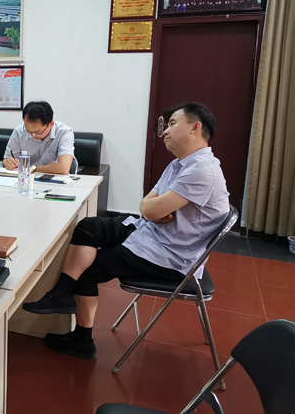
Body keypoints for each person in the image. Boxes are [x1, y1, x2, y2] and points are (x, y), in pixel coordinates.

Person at [22, 102, 229, 361]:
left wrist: (152, 209)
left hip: (169, 255)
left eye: (173, 124)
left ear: (195, 128)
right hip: (154, 232)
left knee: (88, 269)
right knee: (89, 226)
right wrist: (152, 209)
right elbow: (147, 205)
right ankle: (62, 293)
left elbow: (150, 208)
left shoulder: (201, 170)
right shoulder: (180, 164)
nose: (165, 131)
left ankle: (82, 341)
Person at [2, 100, 74, 174]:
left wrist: (33, 168)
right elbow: (6, 160)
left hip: (55, 178)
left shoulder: (64, 132)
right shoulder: (19, 132)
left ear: (51, 124)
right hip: (25, 177)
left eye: (37, 132)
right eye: (28, 131)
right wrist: (7, 163)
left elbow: (63, 168)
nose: (32, 135)